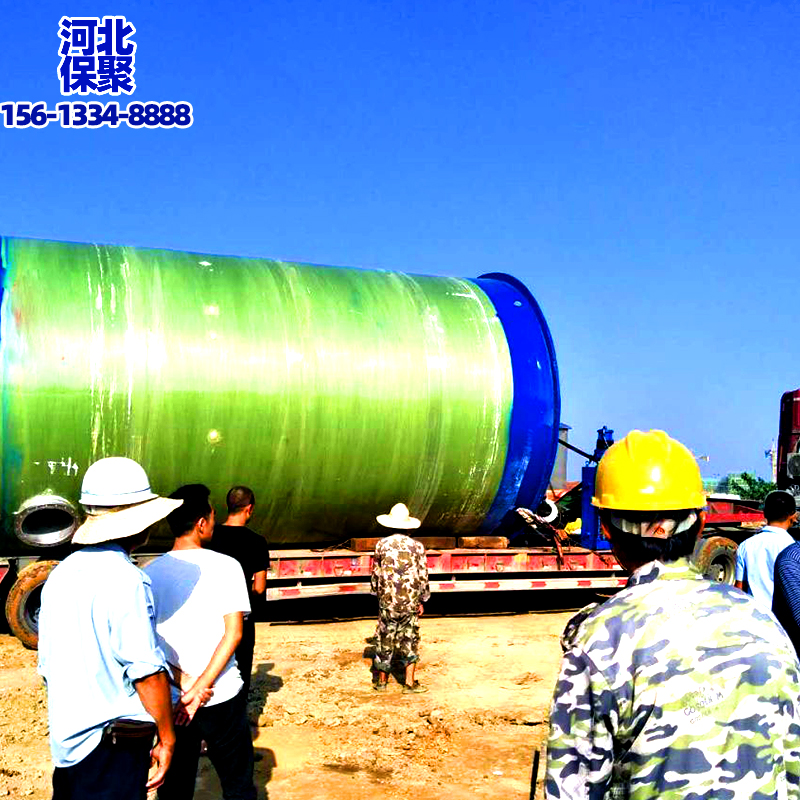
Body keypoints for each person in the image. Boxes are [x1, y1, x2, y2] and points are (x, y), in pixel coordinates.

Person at [546, 430, 800, 799]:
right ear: (700, 523)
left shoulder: (599, 641)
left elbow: (572, 788)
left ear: (606, 530)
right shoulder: (766, 626)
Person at [38, 457, 180, 800]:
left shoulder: (60, 574)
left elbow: (48, 666)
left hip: (69, 745)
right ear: (137, 521)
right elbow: (146, 673)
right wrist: (167, 737)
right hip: (112, 746)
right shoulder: (127, 579)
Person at [144, 484, 256, 800]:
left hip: (172, 701)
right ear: (201, 523)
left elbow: (147, 644)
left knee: (175, 790)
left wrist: (186, 687)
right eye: (213, 517)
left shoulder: (148, 573)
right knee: (238, 787)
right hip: (222, 694)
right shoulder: (227, 566)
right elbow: (234, 633)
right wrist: (201, 688)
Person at [208, 485, 270, 701]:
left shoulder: (210, 536)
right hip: (241, 617)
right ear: (249, 509)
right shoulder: (257, 541)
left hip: (211, 614)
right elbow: (259, 587)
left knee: (211, 665)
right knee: (241, 668)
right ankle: (238, 710)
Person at [370, 502, 431, 693]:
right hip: (410, 602)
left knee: (385, 638)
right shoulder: (417, 546)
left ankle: (382, 683)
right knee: (409, 639)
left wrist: (378, 594)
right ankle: (409, 684)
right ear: (408, 526)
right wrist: (422, 599)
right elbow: (423, 575)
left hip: (387, 602)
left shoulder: (381, 545)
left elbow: (376, 573)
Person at [734, 489, 798, 607]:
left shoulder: (745, 545)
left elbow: (739, 590)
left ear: (764, 513)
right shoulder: (793, 549)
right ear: (793, 516)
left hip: (755, 615)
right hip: (783, 617)